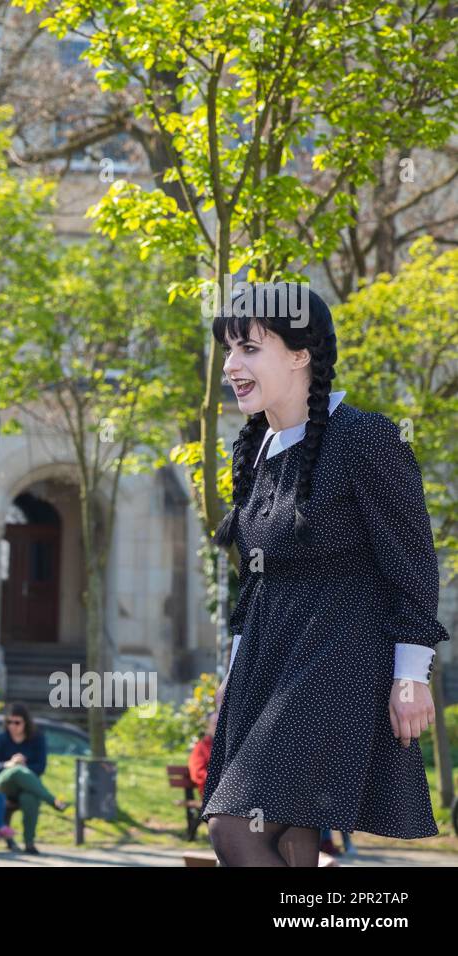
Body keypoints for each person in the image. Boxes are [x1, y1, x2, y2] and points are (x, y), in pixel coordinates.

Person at [201, 282, 449, 867]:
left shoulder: (367, 438)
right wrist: (231, 680)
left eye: (249, 349)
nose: (231, 365)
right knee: (291, 842)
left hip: (338, 657)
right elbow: (256, 581)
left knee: (235, 830)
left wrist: (411, 675)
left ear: (300, 354)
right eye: (228, 350)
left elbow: (412, 563)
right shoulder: (258, 448)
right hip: (268, 658)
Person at [0, 703, 67, 853]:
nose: (13, 726)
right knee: (16, 770)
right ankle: (52, 800)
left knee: (30, 798)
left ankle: (29, 843)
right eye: (9, 722)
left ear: (25, 723)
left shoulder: (37, 739)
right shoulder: (1, 738)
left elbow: (40, 768)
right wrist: (9, 764)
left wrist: (24, 766)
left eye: (17, 722)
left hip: (27, 786)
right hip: (3, 785)